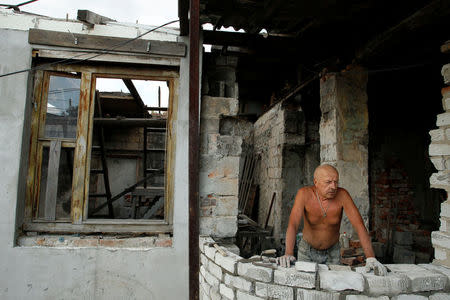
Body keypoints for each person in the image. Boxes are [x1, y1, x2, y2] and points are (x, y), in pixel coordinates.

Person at [277, 164, 387, 276]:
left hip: (332, 252)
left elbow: (359, 226)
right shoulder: (304, 194)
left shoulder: (342, 195)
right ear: (316, 182)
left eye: (336, 182)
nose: (333, 187)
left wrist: (371, 257)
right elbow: (293, 224)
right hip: (307, 251)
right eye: (328, 182)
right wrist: (288, 253)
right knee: (305, 284)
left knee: (333, 287)